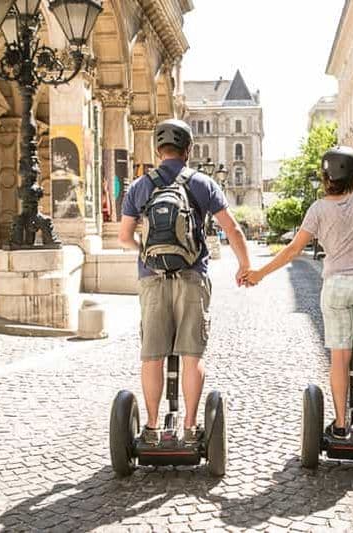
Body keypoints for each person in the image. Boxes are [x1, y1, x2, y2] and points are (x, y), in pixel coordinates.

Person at [243, 146, 353, 443]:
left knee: (339, 358)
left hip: (336, 285)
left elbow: (293, 249)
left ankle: (340, 425)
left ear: (326, 177)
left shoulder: (318, 209)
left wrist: (259, 274)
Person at [118, 119, 251, 445]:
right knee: (193, 354)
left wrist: (145, 255)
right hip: (192, 276)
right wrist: (245, 266)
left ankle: (151, 428)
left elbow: (124, 237)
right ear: (189, 149)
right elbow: (232, 229)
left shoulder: (139, 186)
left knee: (152, 356)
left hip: (152, 279)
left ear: (157, 149)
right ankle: (191, 428)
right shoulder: (202, 183)